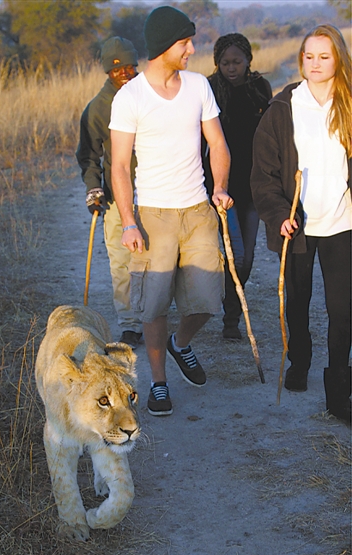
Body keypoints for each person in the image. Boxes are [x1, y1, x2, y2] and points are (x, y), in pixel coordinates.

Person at [109, 6, 233, 417]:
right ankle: (159, 384)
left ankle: (182, 343)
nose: (192, 49)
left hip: (197, 209)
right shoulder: (130, 97)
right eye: (185, 43)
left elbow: (217, 144)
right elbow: (121, 166)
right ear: (165, 46)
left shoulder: (198, 86)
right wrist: (129, 222)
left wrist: (219, 187)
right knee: (154, 306)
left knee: (207, 301)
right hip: (152, 215)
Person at [251, 25, 351, 424]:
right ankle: (300, 362)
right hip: (298, 226)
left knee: (343, 309)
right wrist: (279, 216)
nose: (315, 64)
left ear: (338, 59)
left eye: (324, 56)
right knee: (298, 301)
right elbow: (263, 174)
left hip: (343, 222)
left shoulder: (348, 103)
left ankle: (339, 389)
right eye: (308, 56)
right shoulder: (283, 109)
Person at [203, 33, 272, 340]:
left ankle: (230, 303)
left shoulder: (260, 89)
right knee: (237, 256)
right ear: (217, 64)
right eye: (225, 63)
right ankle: (231, 320)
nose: (231, 68)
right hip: (222, 187)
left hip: (255, 186)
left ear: (248, 61)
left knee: (247, 260)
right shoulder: (209, 89)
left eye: (237, 62)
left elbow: (270, 138)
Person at [76, 36, 143, 349]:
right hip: (118, 195)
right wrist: (94, 188)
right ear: (107, 72)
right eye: (118, 70)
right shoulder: (97, 109)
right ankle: (130, 323)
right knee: (121, 260)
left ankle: (154, 312)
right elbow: (89, 156)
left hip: (157, 189)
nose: (126, 74)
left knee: (157, 258)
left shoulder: (153, 94)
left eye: (130, 66)